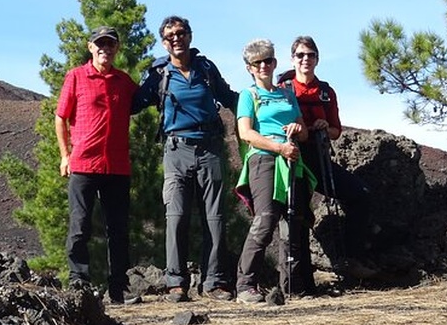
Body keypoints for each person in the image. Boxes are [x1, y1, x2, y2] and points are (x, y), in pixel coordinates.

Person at [132, 16, 239, 303]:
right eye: (169, 36)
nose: (176, 39)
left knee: (215, 218)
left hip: (210, 148)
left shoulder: (206, 68)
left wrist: (264, 103)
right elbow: (133, 104)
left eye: (180, 33)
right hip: (176, 150)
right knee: (176, 217)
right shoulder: (158, 73)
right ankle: (176, 283)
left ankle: (214, 282)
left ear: (190, 36)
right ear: (163, 42)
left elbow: (229, 97)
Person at [277, 36, 373, 291]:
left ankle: (352, 258)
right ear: (292, 59)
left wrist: (323, 127)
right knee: (297, 215)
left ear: (317, 59)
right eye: (300, 55)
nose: (305, 59)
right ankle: (299, 279)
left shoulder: (326, 92)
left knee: (360, 194)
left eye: (310, 55)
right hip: (293, 159)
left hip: (319, 158)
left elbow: (336, 130)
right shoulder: (284, 89)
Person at [55, 26, 139, 305]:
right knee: (80, 226)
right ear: (90, 47)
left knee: (118, 229)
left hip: (116, 167)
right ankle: (79, 282)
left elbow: (146, 99)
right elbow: (60, 117)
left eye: (110, 44)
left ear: (117, 48)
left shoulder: (124, 81)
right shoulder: (76, 77)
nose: (105, 48)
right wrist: (65, 155)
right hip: (83, 164)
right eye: (100, 44)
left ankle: (119, 288)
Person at [234, 39, 313, 306]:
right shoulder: (249, 96)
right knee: (266, 220)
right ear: (250, 68)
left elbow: (304, 130)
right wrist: (279, 147)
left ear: (275, 62)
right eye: (258, 62)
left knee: (293, 222)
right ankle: (245, 285)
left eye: (268, 60)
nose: (264, 66)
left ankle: (291, 286)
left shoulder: (288, 94)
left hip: (292, 160)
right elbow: (247, 133)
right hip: (264, 160)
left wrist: (297, 130)